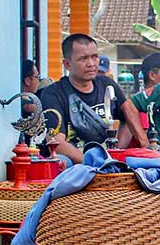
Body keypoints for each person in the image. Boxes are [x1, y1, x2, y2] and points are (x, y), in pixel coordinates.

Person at [41, 33, 147, 165]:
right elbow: (57, 143)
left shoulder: (107, 85)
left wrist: (116, 152)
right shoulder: (53, 94)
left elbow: (128, 113)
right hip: (75, 163)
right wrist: (95, 164)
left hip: (105, 158)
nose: (91, 64)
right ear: (67, 64)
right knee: (61, 162)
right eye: (83, 59)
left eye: (95, 57)